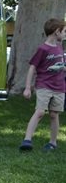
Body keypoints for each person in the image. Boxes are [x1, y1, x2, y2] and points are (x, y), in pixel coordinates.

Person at [18, 18, 66, 152]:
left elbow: (62, 65)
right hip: (44, 85)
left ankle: (53, 142)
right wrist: (28, 87)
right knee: (40, 112)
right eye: (64, 31)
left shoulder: (60, 47)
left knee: (54, 114)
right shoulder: (43, 49)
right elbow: (32, 68)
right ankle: (27, 140)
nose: (65, 34)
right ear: (57, 32)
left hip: (59, 87)